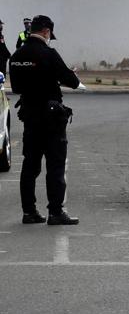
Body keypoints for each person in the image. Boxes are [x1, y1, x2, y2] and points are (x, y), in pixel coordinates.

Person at [8, 15, 83, 225]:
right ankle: (55, 212)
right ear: (47, 32)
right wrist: (64, 74)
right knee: (55, 166)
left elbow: (16, 88)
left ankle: (29, 212)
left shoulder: (16, 56)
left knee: (30, 166)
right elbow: (73, 82)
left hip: (30, 118)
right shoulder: (48, 53)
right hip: (51, 119)